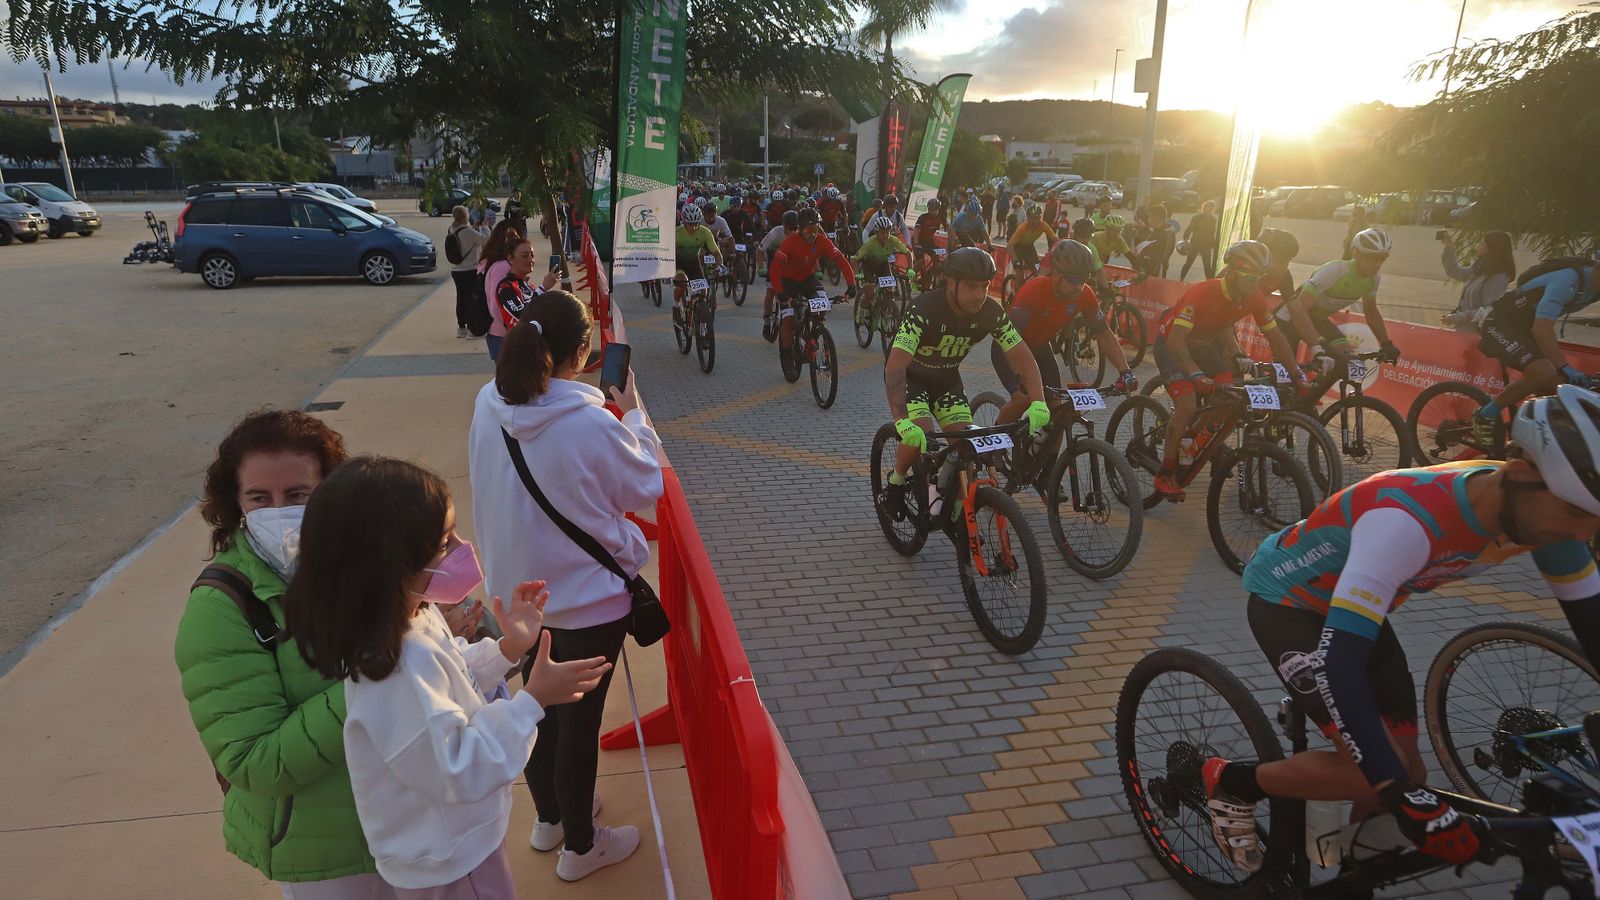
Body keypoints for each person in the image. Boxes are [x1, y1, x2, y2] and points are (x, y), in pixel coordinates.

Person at [1203, 385, 1600, 874]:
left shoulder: (1541, 514)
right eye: (1577, 513)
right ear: (1519, 473)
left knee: (1407, 766)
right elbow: (1338, 665)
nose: (1583, 533)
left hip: (1354, 605)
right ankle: (1232, 784)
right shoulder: (1407, 522)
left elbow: (1593, 625)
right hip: (1290, 603)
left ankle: (1354, 865)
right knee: (1380, 776)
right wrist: (1399, 795)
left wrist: (1403, 788)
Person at [285, 456, 612, 896]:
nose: (461, 547)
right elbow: (458, 767)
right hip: (450, 862)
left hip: (453, 846)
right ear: (389, 559)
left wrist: (506, 649)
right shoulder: (395, 669)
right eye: (444, 542)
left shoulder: (410, 618)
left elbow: (451, 673)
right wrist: (531, 702)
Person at [468, 290, 664, 881]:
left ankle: (551, 817)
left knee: (538, 705)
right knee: (578, 725)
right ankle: (582, 846)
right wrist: (631, 415)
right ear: (582, 354)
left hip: (522, 602)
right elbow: (646, 486)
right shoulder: (587, 422)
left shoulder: (488, 401)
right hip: (586, 603)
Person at [175, 410, 396, 900]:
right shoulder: (221, 608)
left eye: (297, 495)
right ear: (235, 504)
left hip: (408, 825)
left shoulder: (364, 561)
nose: (279, 509)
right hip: (322, 854)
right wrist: (375, 681)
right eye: (260, 497)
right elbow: (253, 762)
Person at [879, 247, 1048, 515]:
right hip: (913, 382)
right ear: (951, 283)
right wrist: (901, 421)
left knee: (967, 448)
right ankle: (897, 481)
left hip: (947, 382)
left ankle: (959, 518)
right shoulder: (923, 310)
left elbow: (1022, 356)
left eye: (984, 286)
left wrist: (1038, 402)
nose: (980, 295)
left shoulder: (990, 311)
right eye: (971, 287)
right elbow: (896, 367)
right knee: (920, 434)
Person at [1151, 240, 1308, 497]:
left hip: (1203, 345)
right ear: (1232, 273)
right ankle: (1166, 471)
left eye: (1259, 278)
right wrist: (1195, 373)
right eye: (1249, 277)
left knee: (1227, 397)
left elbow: (1276, 337)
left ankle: (1188, 440)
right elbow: (1176, 340)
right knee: (1188, 404)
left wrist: (1297, 374)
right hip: (1172, 346)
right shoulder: (1202, 292)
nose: (1255, 284)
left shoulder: (1254, 297)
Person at [990, 239, 1137, 430]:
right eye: (1075, 280)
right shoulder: (1034, 290)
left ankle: (1047, 458)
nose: (1080, 286)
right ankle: (991, 447)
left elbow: (1104, 334)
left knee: (1057, 411)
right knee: (1023, 400)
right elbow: (1011, 339)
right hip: (1010, 348)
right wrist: (1023, 378)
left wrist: (1125, 372)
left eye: (1084, 279)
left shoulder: (1085, 294)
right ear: (1058, 275)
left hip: (1041, 347)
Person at [1473, 258, 1600, 443]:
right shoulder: (1567, 281)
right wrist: (1565, 366)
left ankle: (1529, 440)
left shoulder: (1595, 290)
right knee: (1543, 372)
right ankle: (1484, 415)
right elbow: (1541, 330)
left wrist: (1563, 371)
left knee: (1558, 384)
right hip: (1500, 324)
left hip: (1526, 329)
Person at [1276, 229, 1399, 364]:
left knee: (1349, 359)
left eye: (1383, 258)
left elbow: (1371, 311)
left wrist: (1386, 343)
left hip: (1317, 319)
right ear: (1356, 254)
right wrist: (1318, 343)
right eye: (1372, 258)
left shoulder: (1373, 279)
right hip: (1289, 318)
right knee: (1288, 369)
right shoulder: (1335, 271)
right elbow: (1300, 310)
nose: (1377, 264)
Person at [770, 208, 858, 363]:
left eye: (815, 229)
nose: (813, 234)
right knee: (788, 319)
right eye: (809, 230)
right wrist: (779, 292)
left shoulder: (822, 240)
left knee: (822, 307)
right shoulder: (790, 242)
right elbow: (774, 270)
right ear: (800, 229)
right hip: (787, 281)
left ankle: (813, 336)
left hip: (806, 278)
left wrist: (851, 285)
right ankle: (787, 357)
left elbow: (841, 262)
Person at [487, 238, 560, 362]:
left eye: (532, 255)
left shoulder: (528, 285)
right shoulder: (505, 286)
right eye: (525, 256)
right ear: (511, 259)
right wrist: (543, 288)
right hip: (517, 351)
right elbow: (521, 314)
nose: (530, 260)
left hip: (535, 348)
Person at [1439, 229, 1516, 332]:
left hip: (1475, 335)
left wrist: (1458, 317)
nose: (1477, 246)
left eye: (1482, 244)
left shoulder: (1497, 278)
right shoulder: (1479, 271)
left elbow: (1488, 312)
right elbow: (1454, 271)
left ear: (1492, 249)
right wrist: (1449, 247)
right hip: (1462, 330)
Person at [478, 221, 527, 361]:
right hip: (504, 335)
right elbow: (497, 306)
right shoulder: (503, 268)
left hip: (501, 334)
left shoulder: (497, 264)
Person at [853, 215, 912, 319]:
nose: (885, 235)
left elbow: (907, 253)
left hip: (883, 265)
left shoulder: (893, 240)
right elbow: (855, 259)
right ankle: (861, 309)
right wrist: (857, 272)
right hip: (869, 266)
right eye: (882, 232)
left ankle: (886, 314)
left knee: (889, 292)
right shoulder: (869, 243)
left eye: (888, 232)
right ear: (876, 233)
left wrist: (910, 269)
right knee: (870, 294)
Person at [448, 206, 489, 339]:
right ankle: (473, 330)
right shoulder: (468, 231)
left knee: (461, 299)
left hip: (456, 270)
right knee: (473, 300)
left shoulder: (452, 229)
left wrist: (474, 227)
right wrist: (485, 227)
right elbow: (485, 240)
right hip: (470, 270)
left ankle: (461, 328)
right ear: (466, 215)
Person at [672, 203, 723, 310]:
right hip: (678, 264)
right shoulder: (676, 232)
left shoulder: (705, 232)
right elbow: (669, 253)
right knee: (682, 284)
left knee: (703, 292)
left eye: (696, 224)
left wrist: (719, 267)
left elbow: (716, 253)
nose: (693, 227)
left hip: (694, 264)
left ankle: (695, 314)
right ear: (684, 222)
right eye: (690, 224)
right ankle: (675, 304)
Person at [1006, 203, 1057, 274]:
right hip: (1017, 248)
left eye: (1037, 218)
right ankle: (1018, 284)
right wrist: (1015, 260)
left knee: (1037, 269)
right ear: (1028, 217)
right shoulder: (1022, 228)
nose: (1035, 221)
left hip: (1029, 246)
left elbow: (1056, 240)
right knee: (1019, 271)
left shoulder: (1043, 225)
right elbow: (1009, 245)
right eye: (1032, 218)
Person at [1180, 200, 1218, 280]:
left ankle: (1209, 282)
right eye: (1207, 206)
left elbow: (1212, 234)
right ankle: (1181, 279)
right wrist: (1186, 239)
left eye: (1211, 207)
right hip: (1195, 244)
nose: (1209, 208)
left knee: (1207, 265)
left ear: (1213, 209)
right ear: (1204, 207)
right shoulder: (1196, 218)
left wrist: (1215, 246)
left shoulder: (1213, 220)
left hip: (1206, 245)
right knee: (1188, 263)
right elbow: (1189, 229)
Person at [912, 198, 947, 274]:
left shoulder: (941, 217)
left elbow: (950, 230)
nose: (933, 212)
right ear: (928, 209)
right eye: (931, 209)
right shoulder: (923, 217)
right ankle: (911, 279)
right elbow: (916, 231)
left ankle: (930, 275)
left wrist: (955, 241)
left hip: (929, 241)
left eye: (935, 210)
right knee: (920, 261)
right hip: (918, 240)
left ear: (938, 209)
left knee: (937, 258)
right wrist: (916, 243)